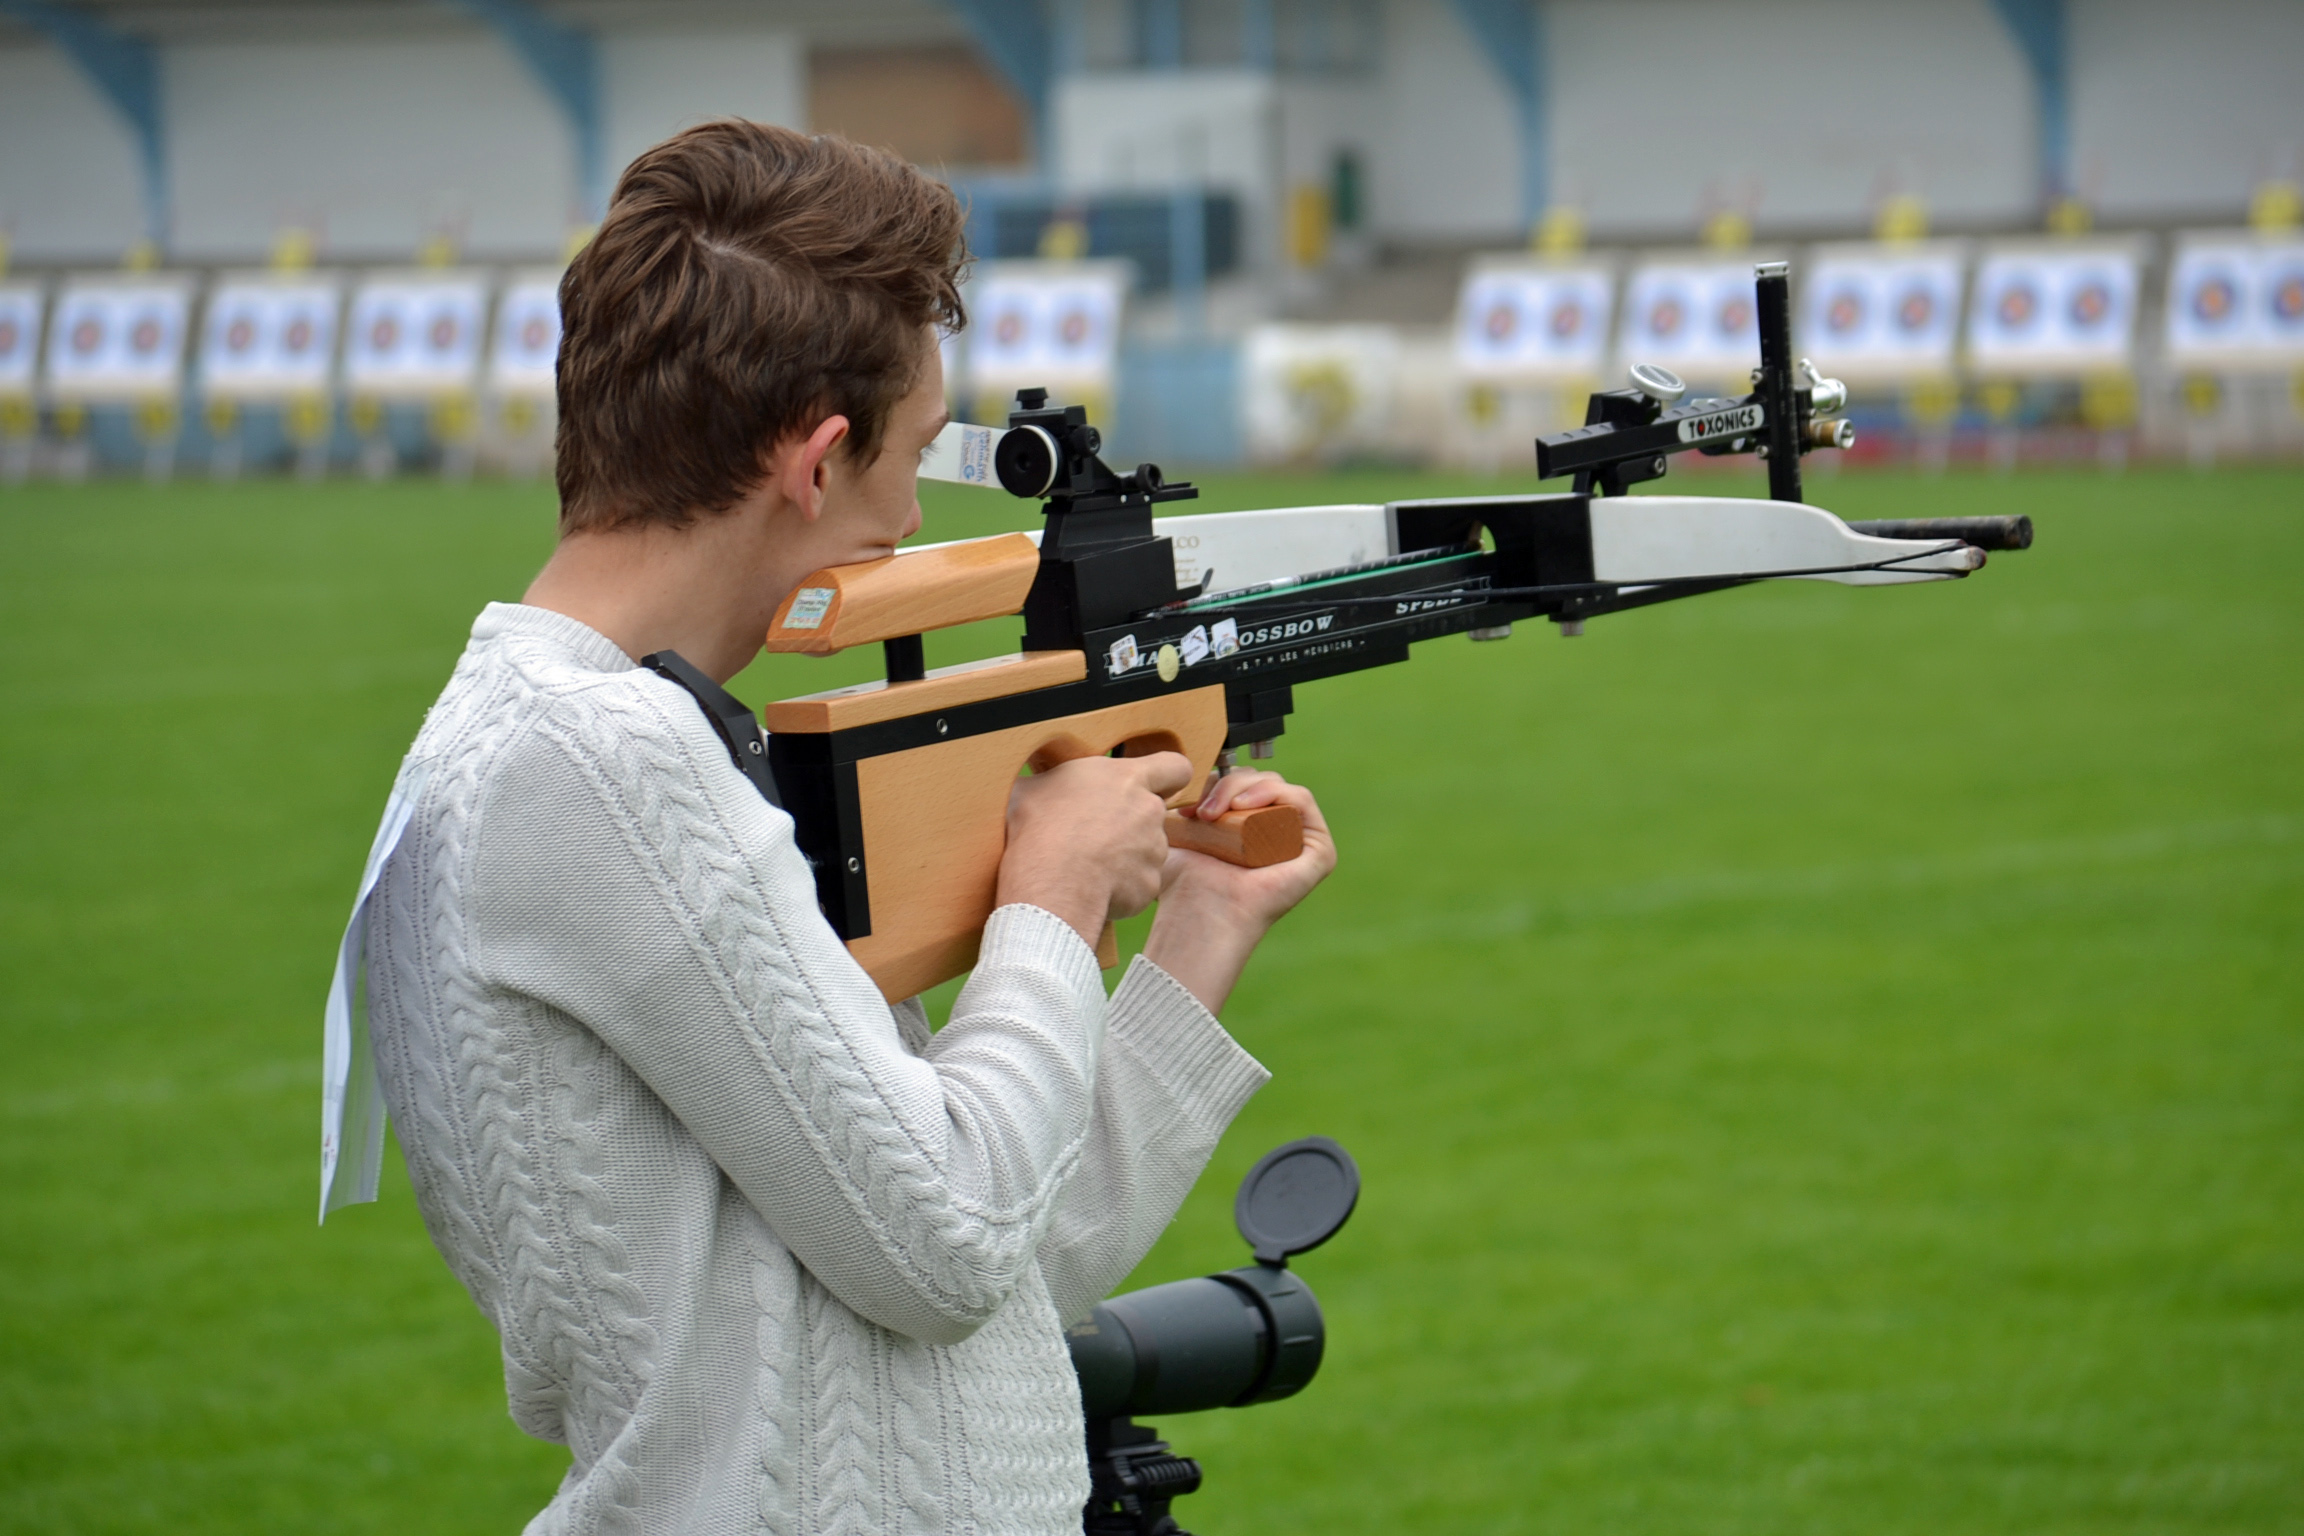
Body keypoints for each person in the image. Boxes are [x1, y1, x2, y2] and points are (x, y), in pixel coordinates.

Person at [341, 120, 1335, 1534]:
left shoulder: (597, 740)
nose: (913, 510)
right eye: (915, 453)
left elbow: (992, 1271)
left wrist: (1195, 933)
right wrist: (1046, 904)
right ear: (815, 462)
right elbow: (945, 1240)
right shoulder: (601, 762)